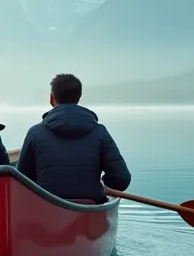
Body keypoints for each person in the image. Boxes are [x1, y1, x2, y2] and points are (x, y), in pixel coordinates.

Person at [16, 73, 131, 203]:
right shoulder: (100, 132)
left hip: (46, 210)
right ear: (78, 98)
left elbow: (21, 181)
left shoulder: (35, 133)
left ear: (51, 99)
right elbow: (121, 179)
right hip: (91, 209)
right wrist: (102, 184)